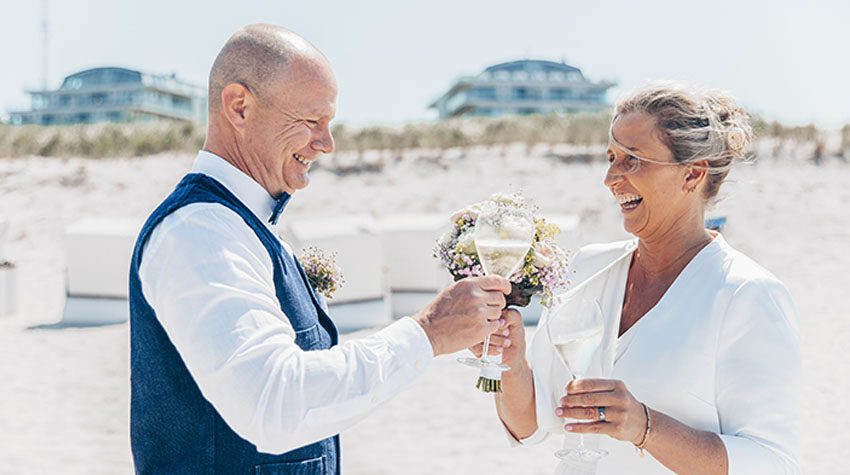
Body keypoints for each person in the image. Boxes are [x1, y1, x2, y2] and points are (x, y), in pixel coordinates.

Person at [128, 24, 512, 474]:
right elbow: (274, 403)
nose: (326, 144)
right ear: (239, 107)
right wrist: (428, 333)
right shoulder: (198, 231)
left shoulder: (243, 225)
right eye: (312, 121)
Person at [490, 82, 801, 474]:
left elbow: (773, 463)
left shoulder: (746, 294)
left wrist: (644, 427)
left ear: (692, 174)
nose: (610, 177)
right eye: (611, 157)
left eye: (632, 160)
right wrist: (511, 361)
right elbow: (530, 424)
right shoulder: (587, 269)